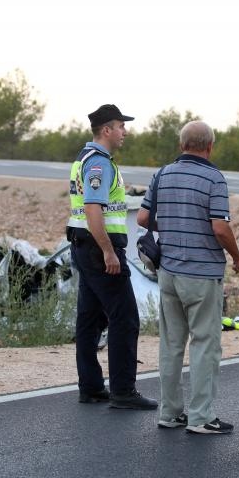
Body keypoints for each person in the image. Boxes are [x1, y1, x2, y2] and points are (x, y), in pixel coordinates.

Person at [137, 120, 239, 434]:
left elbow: (144, 218)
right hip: (201, 275)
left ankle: (169, 413)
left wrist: (173, 225)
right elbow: (220, 227)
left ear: (181, 144)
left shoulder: (162, 174)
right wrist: (238, 258)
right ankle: (201, 417)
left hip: (168, 273)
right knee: (205, 345)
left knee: (171, 345)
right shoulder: (214, 178)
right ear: (210, 146)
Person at [66, 104, 158, 410]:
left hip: (82, 247)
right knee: (125, 318)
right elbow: (93, 209)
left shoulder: (84, 158)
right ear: (106, 130)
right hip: (97, 249)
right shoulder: (99, 163)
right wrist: (108, 251)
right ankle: (123, 390)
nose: (125, 132)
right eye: (120, 126)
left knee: (89, 319)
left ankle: (91, 387)